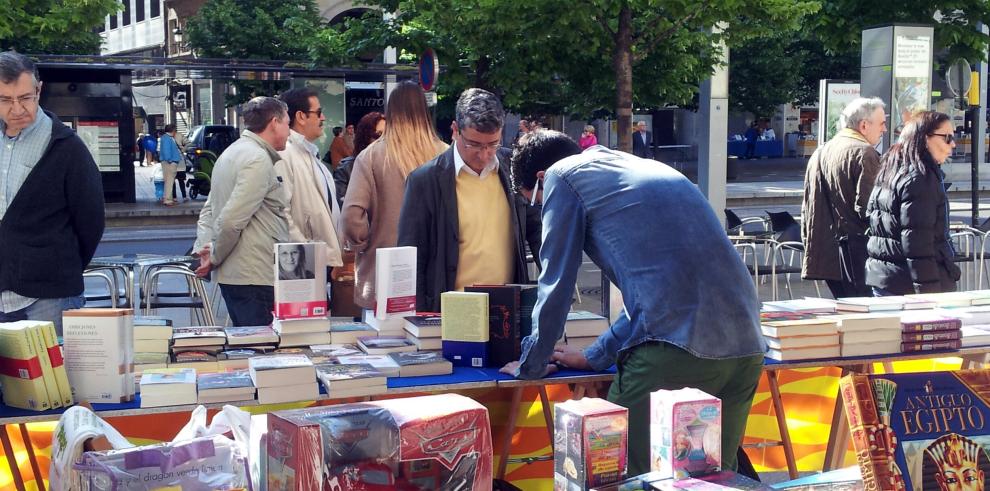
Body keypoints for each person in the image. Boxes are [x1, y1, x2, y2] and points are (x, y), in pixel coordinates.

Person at [501, 130, 764, 476]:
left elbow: (556, 282)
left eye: (534, 201)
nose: (540, 208)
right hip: (746, 348)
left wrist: (530, 363)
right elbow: (659, 296)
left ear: (540, 179)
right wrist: (596, 354)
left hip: (673, 352)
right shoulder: (639, 168)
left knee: (617, 472)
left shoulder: (561, 177)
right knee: (711, 480)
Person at [397, 88, 542, 312]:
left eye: (492, 144)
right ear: (455, 130)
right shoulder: (424, 181)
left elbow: (536, 229)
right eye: (474, 144)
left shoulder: (514, 166)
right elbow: (412, 257)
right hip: (451, 310)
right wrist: (421, 318)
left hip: (507, 309)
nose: (484, 154)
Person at [0, 51, 105, 334]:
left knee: (54, 377)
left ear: (39, 89)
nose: (17, 109)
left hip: (51, 295)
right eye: (6, 100)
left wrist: (59, 266)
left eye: (25, 98)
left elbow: (91, 221)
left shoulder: (67, 147)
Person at [340, 81, 447, 310]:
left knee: (382, 341)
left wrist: (364, 242)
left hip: (383, 273)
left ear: (391, 111)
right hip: (437, 272)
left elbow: (351, 216)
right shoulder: (445, 154)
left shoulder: (371, 156)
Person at [193, 96, 291, 326]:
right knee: (261, 349)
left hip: (240, 274)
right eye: (287, 124)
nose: (289, 132)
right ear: (274, 122)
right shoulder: (257, 159)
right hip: (255, 274)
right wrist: (213, 256)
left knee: (248, 346)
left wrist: (205, 248)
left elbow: (209, 210)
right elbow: (231, 220)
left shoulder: (231, 153)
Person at [866, 111, 960, 296]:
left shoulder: (893, 169)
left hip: (886, 279)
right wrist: (928, 295)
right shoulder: (920, 178)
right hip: (908, 286)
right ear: (925, 139)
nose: (953, 144)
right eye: (947, 138)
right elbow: (918, 243)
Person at [802, 97, 887, 298]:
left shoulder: (822, 151)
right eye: (882, 123)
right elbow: (869, 208)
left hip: (827, 252)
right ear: (864, 125)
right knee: (864, 318)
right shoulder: (865, 153)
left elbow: (809, 206)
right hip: (857, 252)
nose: (884, 129)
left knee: (846, 312)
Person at [275, 88, 344, 271]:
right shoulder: (286, 153)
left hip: (317, 258)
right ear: (301, 116)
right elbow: (282, 212)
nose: (323, 118)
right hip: (306, 263)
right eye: (319, 112)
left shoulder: (308, 152)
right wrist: (306, 251)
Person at [334, 111, 384, 207]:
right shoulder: (347, 167)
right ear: (365, 136)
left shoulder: (395, 166)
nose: (384, 139)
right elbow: (343, 206)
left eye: (388, 134)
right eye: (378, 134)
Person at [158, 124, 182, 206]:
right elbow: (166, 150)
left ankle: (168, 198)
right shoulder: (167, 138)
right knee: (169, 181)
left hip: (167, 162)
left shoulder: (165, 138)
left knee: (168, 181)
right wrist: (170, 160)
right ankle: (168, 200)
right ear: (173, 130)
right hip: (170, 163)